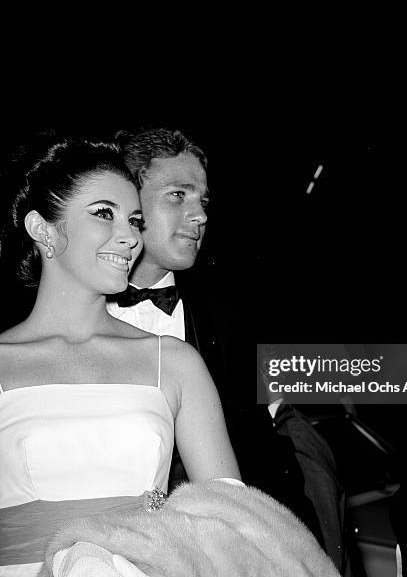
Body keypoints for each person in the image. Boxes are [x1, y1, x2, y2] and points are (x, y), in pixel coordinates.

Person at [0, 137, 240, 577]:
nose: (129, 236)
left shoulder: (176, 362)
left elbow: (232, 524)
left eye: (135, 220)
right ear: (42, 229)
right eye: (103, 214)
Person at [108, 127, 323, 541]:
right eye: (178, 195)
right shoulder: (73, 312)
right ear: (128, 201)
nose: (201, 214)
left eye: (203, 200)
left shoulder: (230, 319)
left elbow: (263, 452)